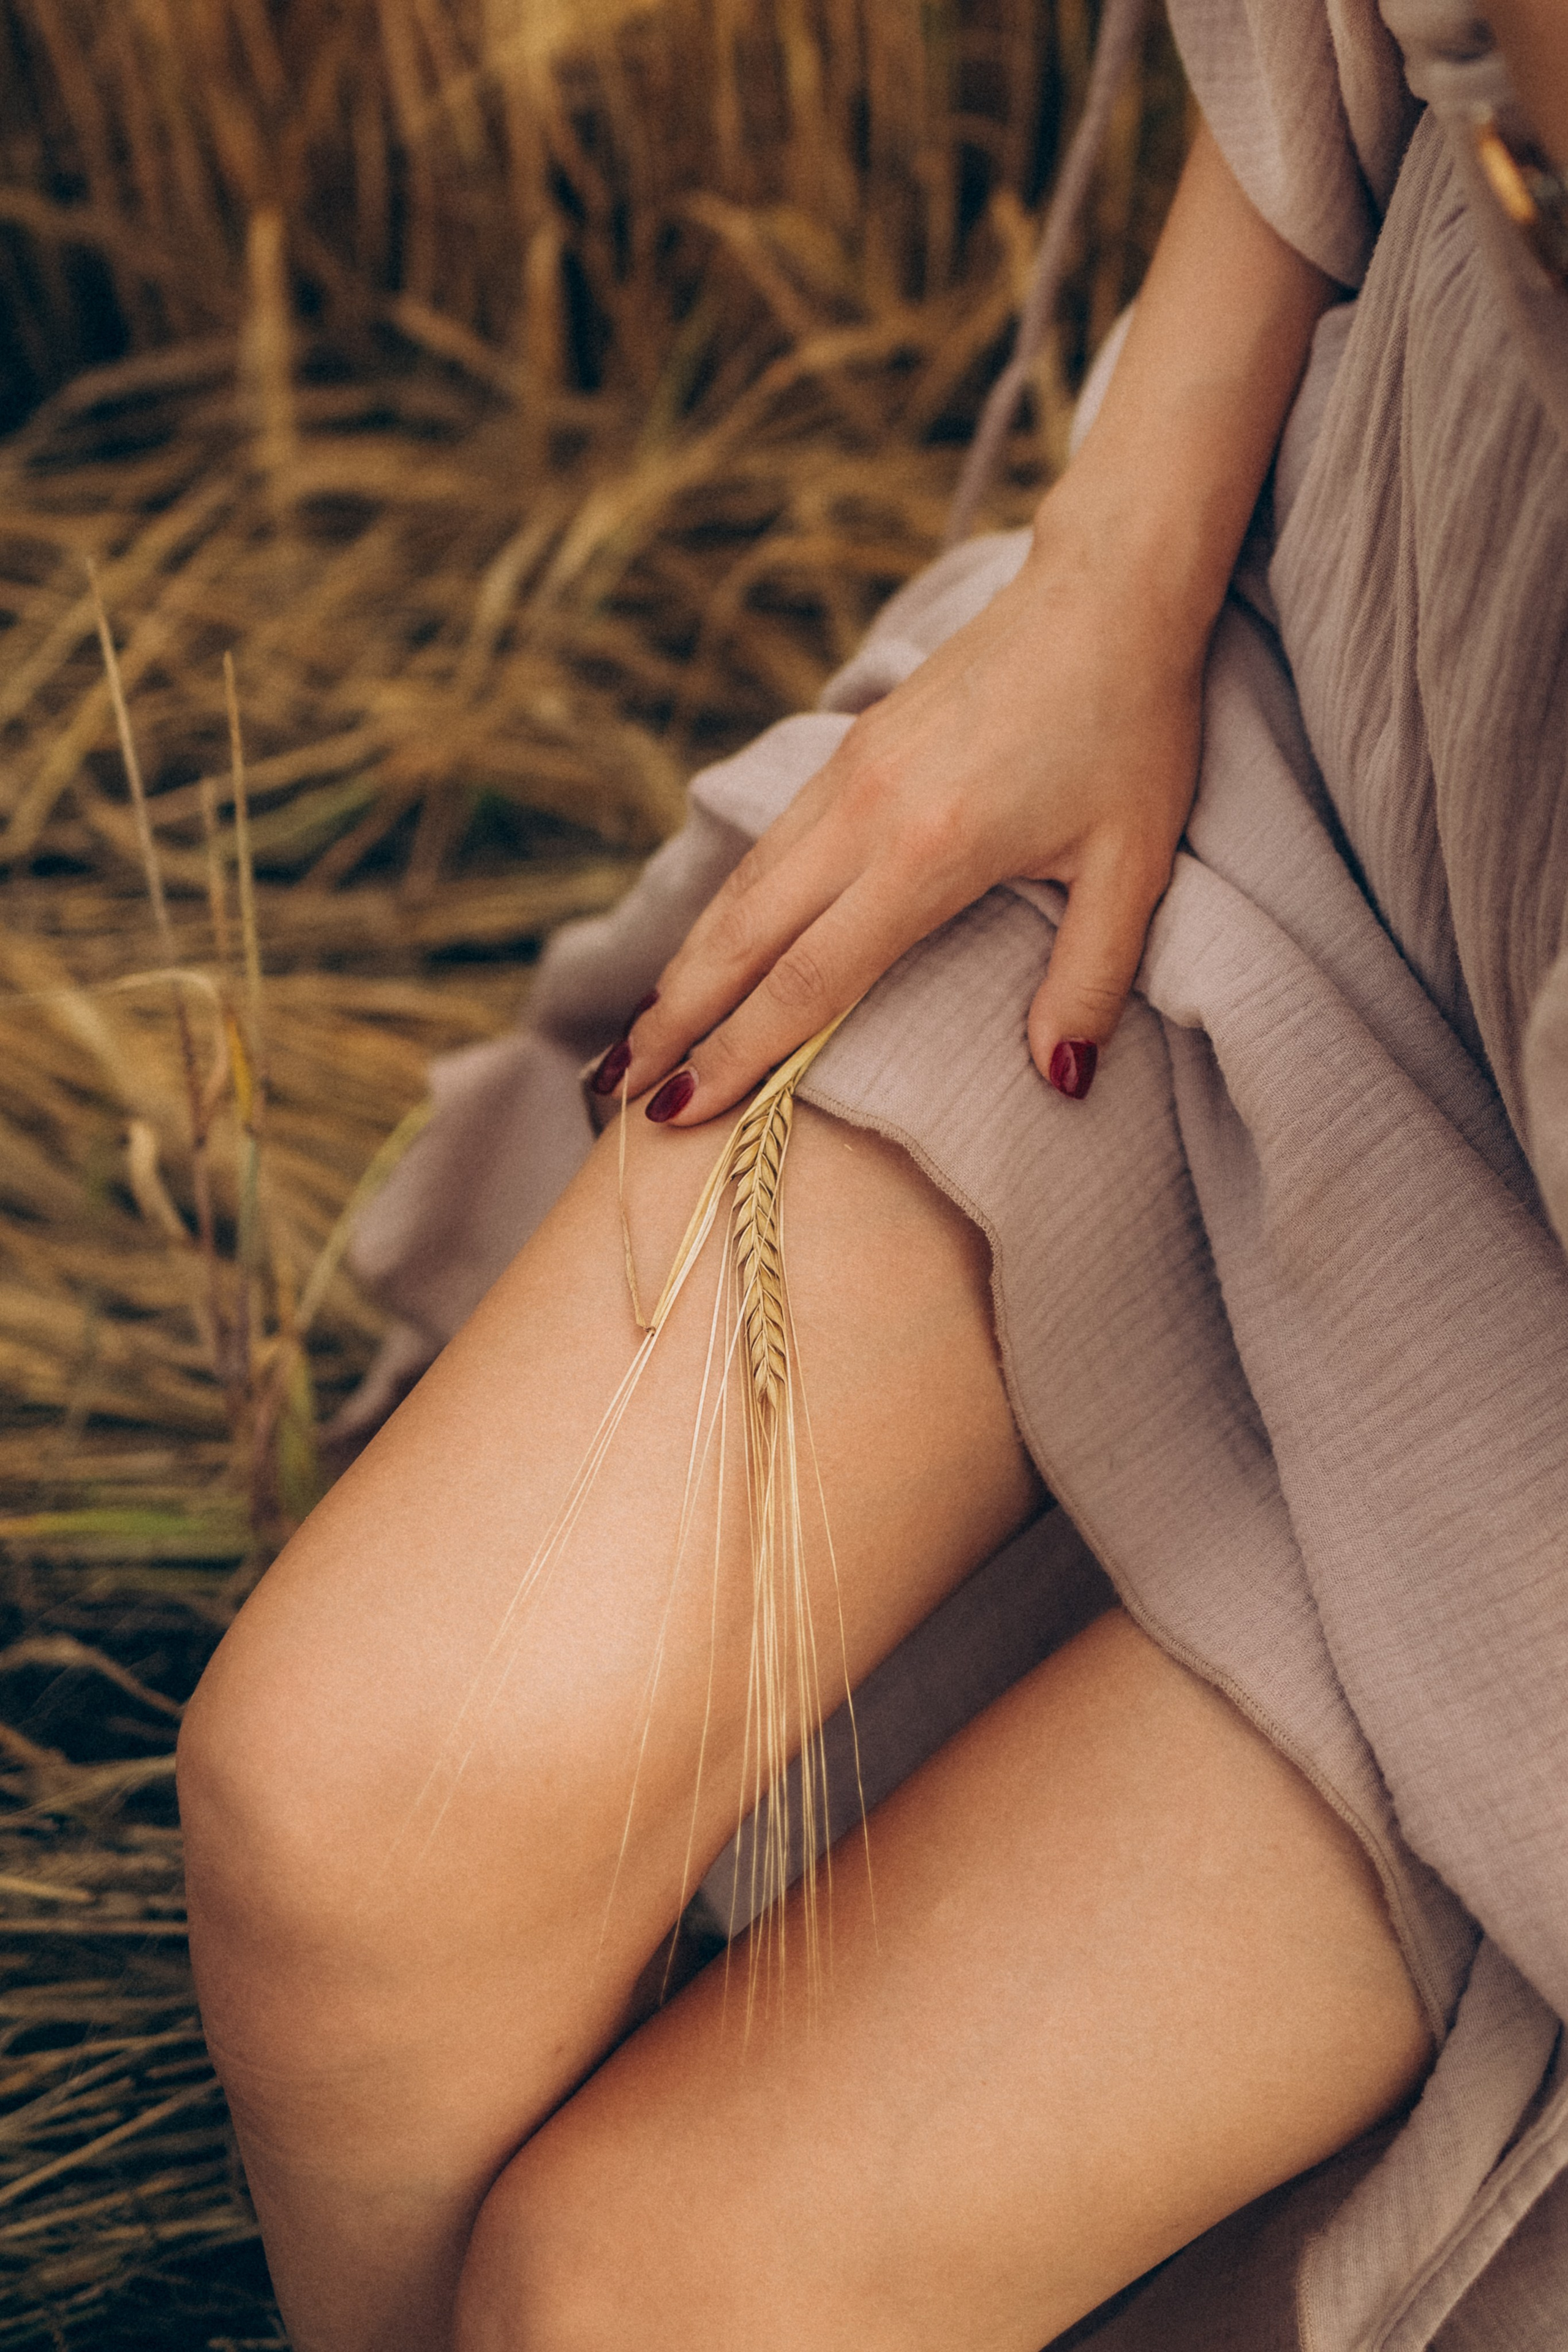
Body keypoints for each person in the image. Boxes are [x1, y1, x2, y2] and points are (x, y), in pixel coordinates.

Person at [176, 1, 1568, 2345]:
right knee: (338, 1839)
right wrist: (1120, 557)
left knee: (635, 2299)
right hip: (1309, 726)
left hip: (1528, 1477)